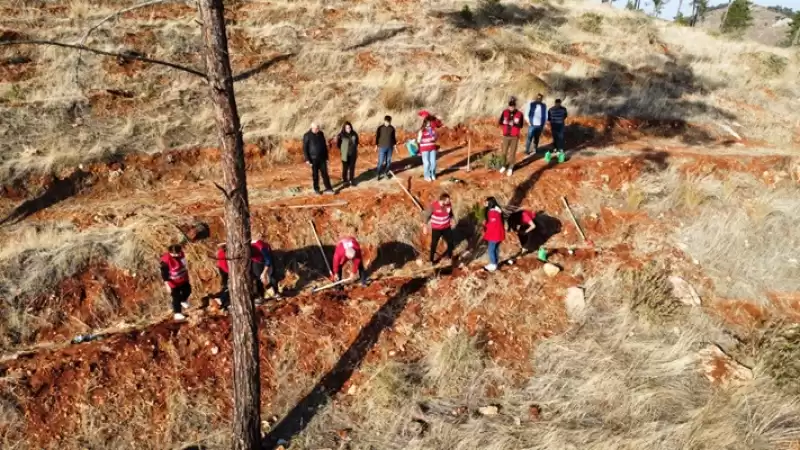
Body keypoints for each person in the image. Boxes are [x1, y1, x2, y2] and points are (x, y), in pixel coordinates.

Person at [160, 244, 191, 320]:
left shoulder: (181, 255)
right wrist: (167, 284)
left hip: (183, 279)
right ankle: (177, 313)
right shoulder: (166, 260)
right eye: (174, 254)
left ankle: (183, 300)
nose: (176, 255)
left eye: (178, 253)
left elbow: (184, 264)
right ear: (170, 253)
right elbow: (164, 273)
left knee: (188, 290)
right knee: (176, 297)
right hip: (173, 282)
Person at [422, 192, 455, 265]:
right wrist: (425, 226)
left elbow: (451, 214)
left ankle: (449, 257)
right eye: (447, 200)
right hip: (436, 229)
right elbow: (426, 216)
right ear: (442, 200)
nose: (449, 202)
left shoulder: (448, 205)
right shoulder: (433, 206)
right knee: (434, 244)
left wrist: (452, 220)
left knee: (450, 242)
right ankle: (431, 260)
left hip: (446, 227)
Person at [303, 122, 334, 195]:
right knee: (315, 175)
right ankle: (316, 189)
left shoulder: (321, 134)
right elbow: (305, 148)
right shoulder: (307, 135)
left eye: (318, 128)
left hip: (322, 158)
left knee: (325, 174)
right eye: (316, 128)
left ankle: (329, 188)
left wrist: (326, 157)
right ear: (312, 128)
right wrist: (307, 159)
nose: (318, 129)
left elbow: (324, 146)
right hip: (313, 159)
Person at [497, 96, 524, 176]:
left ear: (515, 106)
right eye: (510, 106)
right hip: (506, 135)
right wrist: (504, 122)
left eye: (512, 106)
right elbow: (500, 122)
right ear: (508, 106)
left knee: (512, 153)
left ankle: (510, 167)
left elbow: (521, 125)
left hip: (514, 136)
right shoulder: (505, 112)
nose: (511, 107)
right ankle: (503, 166)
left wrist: (514, 124)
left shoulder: (520, 114)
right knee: (504, 152)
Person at [251, 235, 281, 301]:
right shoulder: (244, 250)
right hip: (257, 261)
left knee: (271, 275)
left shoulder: (261, 247)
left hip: (267, 257)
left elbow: (268, 260)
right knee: (258, 277)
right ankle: (261, 296)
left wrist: (264, 273)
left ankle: (276, 292)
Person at [482, 197, 505, 272]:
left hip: (494, 234)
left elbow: (492, 224)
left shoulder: (492, 212)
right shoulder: (498, 210)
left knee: (491, 249)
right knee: (496, 248)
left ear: (489, 203)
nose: (484, 204)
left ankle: (493, 264)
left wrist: (485, 225)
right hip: (499, 233)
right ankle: (495, 263)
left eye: (486, 202)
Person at [337, 121, 359, 187]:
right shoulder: (341, 135)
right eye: (347, 128)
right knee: (345, 168)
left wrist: (353, 149)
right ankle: (345, 181)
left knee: (352, 168)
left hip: (353, 154)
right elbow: (338, 145)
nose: (348, 129)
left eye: (349, 127)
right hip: (345, 154)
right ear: (344, 128)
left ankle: (351, 180)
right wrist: (343, 150)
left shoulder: (354, 134)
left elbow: (357, 142)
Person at [375, 115, 397, 180]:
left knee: (388, 161)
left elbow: (393, 138)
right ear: (384, 121)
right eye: (387, 121)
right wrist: (376, 146)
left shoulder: (392, 128)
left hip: (390, 147)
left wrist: (395, 146)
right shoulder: (380, 128)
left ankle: (386, 173)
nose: (388, 123)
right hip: (382, 147)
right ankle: (378, 174)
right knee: (381, 161)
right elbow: (377, 137)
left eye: (389, 122)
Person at [418, 116, 438, 181]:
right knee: (427, 163)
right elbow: (418, 140)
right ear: (425, 122)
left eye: (430, 122)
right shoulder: (421, 130)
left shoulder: (432, 130)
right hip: (424, 148)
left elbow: (436, 137)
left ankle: (433, 174)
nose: (429, 124)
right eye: (428, 122)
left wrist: (434, 138)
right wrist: (425, 141)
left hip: (432, 147)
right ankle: (426, 176)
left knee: (433, 163)